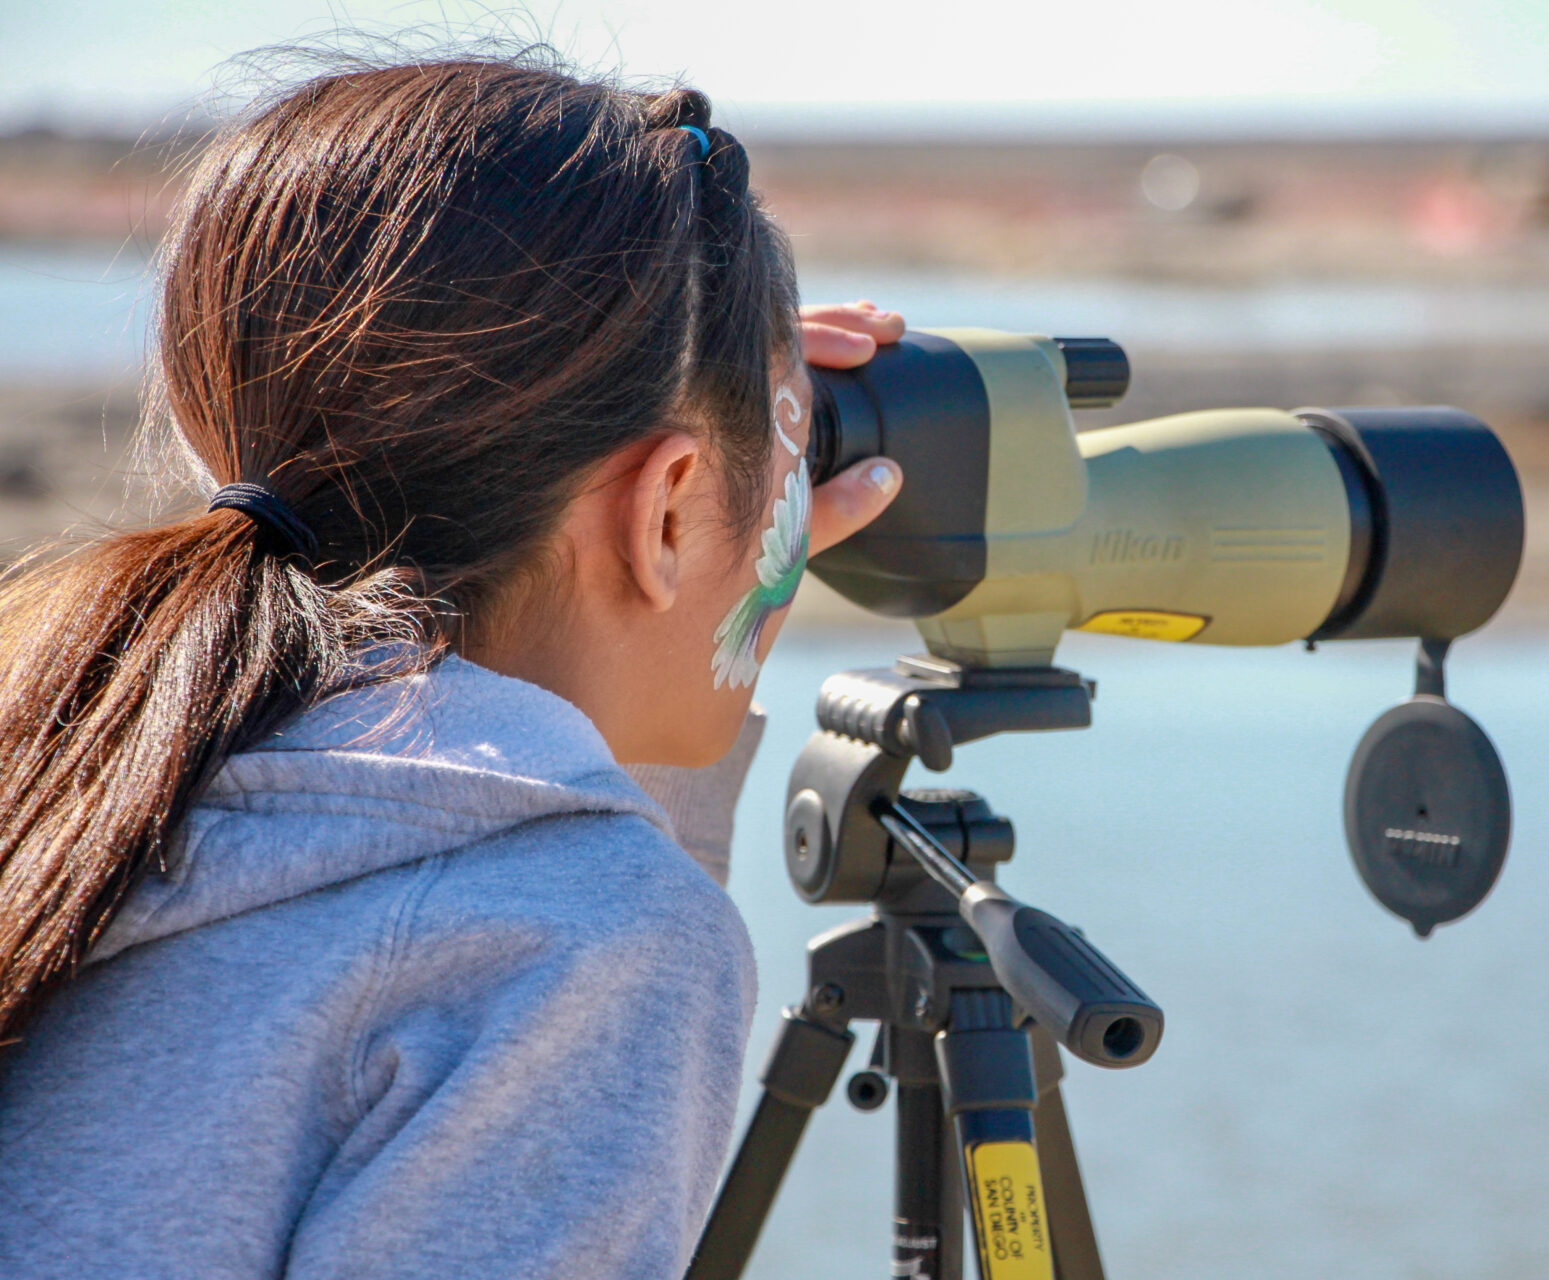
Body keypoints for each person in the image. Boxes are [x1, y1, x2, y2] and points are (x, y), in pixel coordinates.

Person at [0, 51, 906, 1279]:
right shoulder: (574, 939)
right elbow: (547, 898)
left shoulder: (83, 746)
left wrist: (710, 453)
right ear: (670, 513)